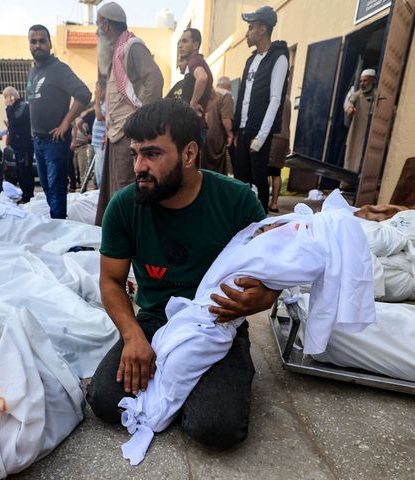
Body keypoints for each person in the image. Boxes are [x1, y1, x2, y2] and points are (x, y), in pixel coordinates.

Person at [86, 98, 274, 450]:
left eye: (153, 154)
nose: (139, 166)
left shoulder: (237, 202)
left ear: (189, 154)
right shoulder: (125, 207)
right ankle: (178, 384)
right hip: (154, 320)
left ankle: (199, 383)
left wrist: (257, 300)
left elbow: (269, 283)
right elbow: (111, 281)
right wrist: (132, 336)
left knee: (214, 428)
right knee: (103, 401)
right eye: (135, 154)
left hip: (216, 321)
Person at [94, 2, 164, 226]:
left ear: (105, 25)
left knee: (126, 187)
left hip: (129, 133)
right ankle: (118, 231)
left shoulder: (131, 46)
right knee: (114, 187)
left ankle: (132, 235)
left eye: (98, 25)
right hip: (116, 133)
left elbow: (155, 78)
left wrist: (141, 121)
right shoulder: (116, 52)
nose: (96, 31)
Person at [27, 24, 91, 219]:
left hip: (55, 141)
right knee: (47, 188)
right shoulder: (33, 72)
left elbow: (84, 94)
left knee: (56, 191)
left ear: (50, 43)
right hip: (38, 141)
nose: (38, 45)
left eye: (42, 41)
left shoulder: (59, 69)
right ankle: (58, 226)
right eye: (33, 41)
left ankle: (60, 234)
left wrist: (66, 123)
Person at [233, 5, 289, 214]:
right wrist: (237, 128)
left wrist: (261, 136)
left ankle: (261, 219)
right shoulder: (251, 59)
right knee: (241, 178)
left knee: (259, 177)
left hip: (259, 131)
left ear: (263, 29)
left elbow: (275, 99)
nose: (247, 33)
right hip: (244, 128)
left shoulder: (279, 58)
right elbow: (244, 96)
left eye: (251, 28)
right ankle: (240, 217)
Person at [343, 69, 376, 179]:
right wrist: (349, 108)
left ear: (372, 80)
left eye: (365, 81)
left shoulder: (377, 94)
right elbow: (350, 101)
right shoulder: (358, 94)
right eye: (361, 81)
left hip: (373, 133)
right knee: (353, 158)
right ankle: (348, 183)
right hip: (357, 132)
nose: (362, 83)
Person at [3, 86, 34, 203]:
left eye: (5, 98)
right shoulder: (17, 107)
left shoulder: (22, 106)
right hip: (19, 145)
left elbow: (15, 121)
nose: (5, 101)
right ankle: (26, 195)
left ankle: (28, 196)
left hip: (24, 145)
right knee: (21, 171)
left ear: (11, 97)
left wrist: (9, 107)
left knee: (25, 171)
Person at [176, 28, 214, 119]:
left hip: (193, 126)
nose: (180, 45)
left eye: (185, 41)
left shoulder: (194, 60)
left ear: (195, 45)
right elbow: (215, 97)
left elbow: (202, 77)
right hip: (197, 124)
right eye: (180, 42)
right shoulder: (199, 61)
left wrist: (193, 103)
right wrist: (202, 110)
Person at [200, 77, 235, 174]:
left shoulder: (209, 94)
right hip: (216, 135)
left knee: (204, 166)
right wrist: (230, 134)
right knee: (216, 168)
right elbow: (226, 118)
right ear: (229, 86)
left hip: (204, 132)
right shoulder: (226, 95)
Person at [268, 95, 292, 212]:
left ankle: (265, 201)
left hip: (273, 137)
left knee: (265, 172)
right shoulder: (288, 99)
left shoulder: (274, 95)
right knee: (276, 172)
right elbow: (288, 122)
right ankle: (274, 203)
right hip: (284, 138)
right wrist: (288, 143)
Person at [91, 77, 107, 188]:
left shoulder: (106, 104)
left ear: (104, 91)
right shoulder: (101, 104)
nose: (95, 92)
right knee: (97, 172)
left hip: (102, 144)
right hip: (97, 144)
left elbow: (100, 117)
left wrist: (96, 100)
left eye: (97, 90)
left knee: (101, 172)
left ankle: (102, 195)